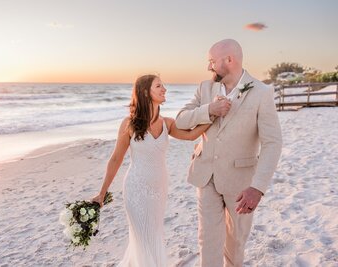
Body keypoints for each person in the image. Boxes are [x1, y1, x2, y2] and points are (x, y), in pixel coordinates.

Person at [175, 39, 282, 267]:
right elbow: (181, 120)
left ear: (229, 60)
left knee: (235, 244)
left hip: (241, 183)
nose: (209, 67)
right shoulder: (205, 88)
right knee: (208, 240)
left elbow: (272, 143)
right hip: (206, 176)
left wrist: (258, 187)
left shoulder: (262, 92)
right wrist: (209, 110)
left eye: (212, 61)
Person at [92, 74, 210, 267]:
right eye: (159, 86)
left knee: (154, 234)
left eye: (163, 86)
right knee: (142, 237)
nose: (164, 89)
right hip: (136, 188)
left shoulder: (168, 123)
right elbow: (115, 159)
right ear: (146, 92)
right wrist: (102, 192)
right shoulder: (129, 124)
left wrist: (213, 115)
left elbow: (191, 135)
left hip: (159, 188)